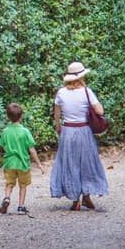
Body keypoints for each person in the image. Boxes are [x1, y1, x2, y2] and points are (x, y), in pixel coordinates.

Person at [49, 61, 109, 211]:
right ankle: (86, 196)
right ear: (81, 76)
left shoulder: (61, 93)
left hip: (67, 131)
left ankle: (75, 198)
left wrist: (58, 127)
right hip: (83, 130)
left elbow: (57, 114)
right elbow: (100, 111)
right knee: (87, 163)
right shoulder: (87, 92)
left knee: (70, 163)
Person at [0, 103, 44, 215]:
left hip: (9, 163)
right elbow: (32, 149)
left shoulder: (5, 131)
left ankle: (7, 198)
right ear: (21, 116)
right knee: (22, 185)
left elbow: (3, 146)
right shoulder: (25, 132)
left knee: (9, 184)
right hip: (23, 163)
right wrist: (38, 163)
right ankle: (21, 207)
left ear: (8, 117)